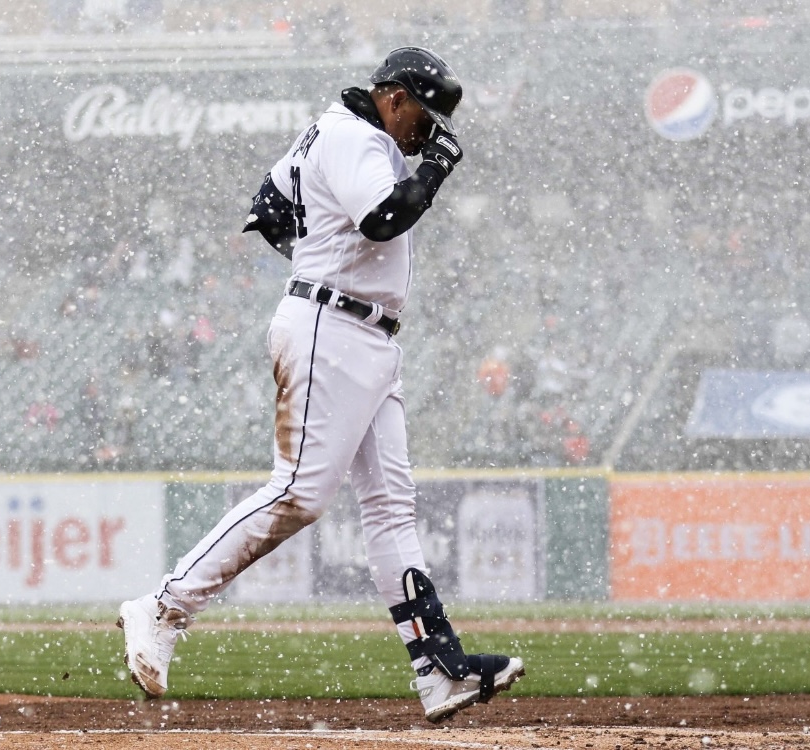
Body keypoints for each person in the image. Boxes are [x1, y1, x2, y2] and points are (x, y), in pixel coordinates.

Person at [117, 47, 524, 723]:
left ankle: (438, 670)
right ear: (393, 97)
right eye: (423, 116)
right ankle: (162, 606)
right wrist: (429, 179)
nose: (429, 131)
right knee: (300, 494)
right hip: (328, 325)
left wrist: (319, 251)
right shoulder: (355, 136)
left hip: (360, 330)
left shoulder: (333, 130)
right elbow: (382, 220)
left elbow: (269, 206)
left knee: (392, 508)